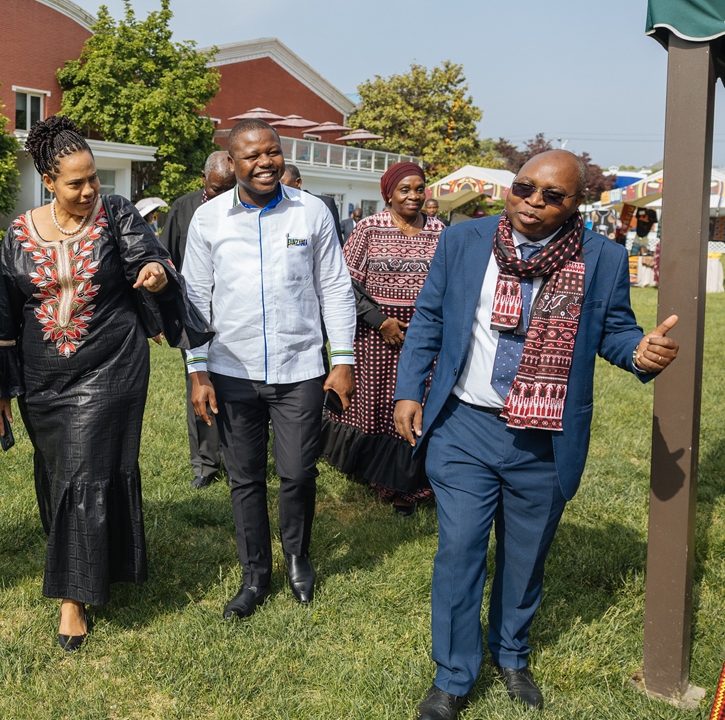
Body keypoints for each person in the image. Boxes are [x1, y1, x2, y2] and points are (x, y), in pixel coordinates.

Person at [393, 150, 680, 719]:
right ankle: (452, 676)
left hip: (544, 438)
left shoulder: (602, 257)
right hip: (464, 426)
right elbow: (430, 317)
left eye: (553, 196)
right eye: (524, 187)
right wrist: (408, 390)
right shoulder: (464, 240)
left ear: (576, 204)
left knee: (524, 558)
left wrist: (640, 353)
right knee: (460, 550)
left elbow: (614, 331)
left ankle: (511, 654)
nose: (533, 202)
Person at [0, 116, 209, 651]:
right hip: (42, 378)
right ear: (48, 181)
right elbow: (3, 313)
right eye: (75, 182)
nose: (89, 190)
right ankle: (100, 560)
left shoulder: (116, 213)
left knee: (82, 469)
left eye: (93, 177)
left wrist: (155, 274)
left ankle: (72, 601)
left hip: (111, 366)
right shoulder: (19, 232)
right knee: (63, 472)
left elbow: (150, 258)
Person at [183, 119, 356, 618]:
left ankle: (297, 556)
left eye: (272, 152)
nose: (265, 163)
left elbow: (335, 287)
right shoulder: (209, 219)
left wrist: (342, 360)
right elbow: (194, 298)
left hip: (299, 367)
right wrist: (198, 371)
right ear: (232, 162)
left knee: (298, 472)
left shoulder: (311, 211)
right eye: (252, 156)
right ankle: (255, 574)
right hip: (230, 369)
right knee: (244, 478)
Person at [321, 162, 443, 516]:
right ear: (388, 194)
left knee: (416, 401)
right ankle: (378, 474)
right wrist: (380, 322)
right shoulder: (369, 228)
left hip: (422, 335)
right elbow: (345, 283)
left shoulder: (440, 230)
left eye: (419, 189)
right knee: (374, 404)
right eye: (405, 189)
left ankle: (408, 484)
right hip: (375, 335)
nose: (414, 196)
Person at [161, 150, 236, 489]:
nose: (223, 196)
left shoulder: (245, 207)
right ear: (204, 180)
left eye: (230, 188)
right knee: (200, 385)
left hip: (234, 315)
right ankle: (205, 464)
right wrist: (164, 314)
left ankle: (236, 461)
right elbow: (165, 259)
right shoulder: (184, 208)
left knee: (235, 390)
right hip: (194, 315)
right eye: (217, 188)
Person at [282, 162, 341, 230]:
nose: (279, 188)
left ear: (298, 182)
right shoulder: (275, 207)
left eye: (282, 184)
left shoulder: (324, 204)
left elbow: (335, 235)